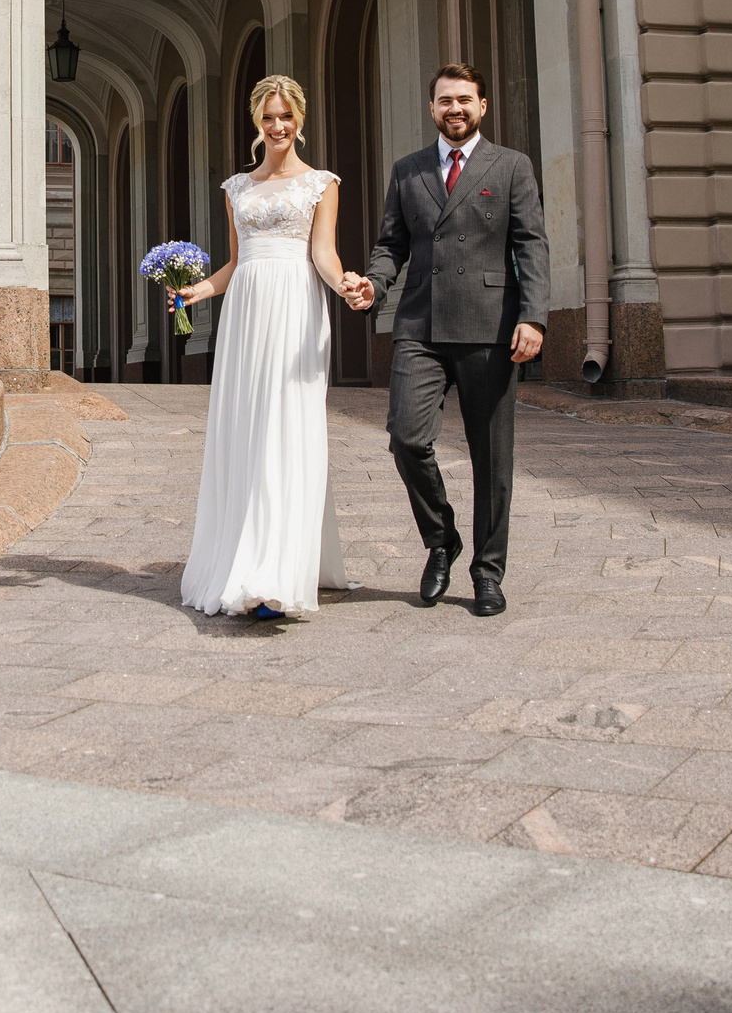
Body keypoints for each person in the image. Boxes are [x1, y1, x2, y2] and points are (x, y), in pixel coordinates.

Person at [171, 75, 368, 621]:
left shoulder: (321, 184)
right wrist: (199, 290)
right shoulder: (236, 188)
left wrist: (346, 285)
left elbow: (323, 254)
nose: (277, 126)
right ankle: (243, 558)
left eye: (286, 116)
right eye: (268, 117)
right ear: (256, 122)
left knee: (287, 427)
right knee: (246, 428)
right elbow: (237, 263)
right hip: (246, 315)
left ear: (300, 119)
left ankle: (278, 572)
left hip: (295, 311)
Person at [365, 62, 550, 617]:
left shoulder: (511, 166)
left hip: (490, 327)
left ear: (482, 106)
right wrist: (373, 283)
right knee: (406, 438)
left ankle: (488, 573)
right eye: (445, 100)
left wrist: (533, 317)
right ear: (432, 108)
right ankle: (441, 538)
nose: (455, 109)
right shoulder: (409, 170)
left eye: (465, 100)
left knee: (492, 457)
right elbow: (391, 245)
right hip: (420, 326)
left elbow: (530, 244)